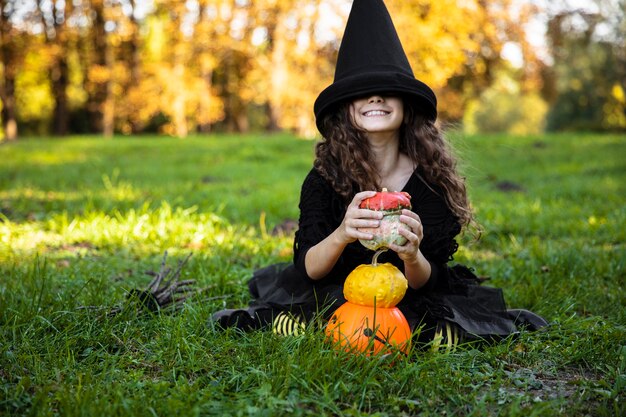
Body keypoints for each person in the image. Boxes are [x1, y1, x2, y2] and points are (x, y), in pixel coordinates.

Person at [211, 0, 547, 347]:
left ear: (406, 106)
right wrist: (343, 232)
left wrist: (412, 253)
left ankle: (419, 332)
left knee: (419, 314)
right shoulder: (325, 177)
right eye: (361, 93)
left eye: (387, 91)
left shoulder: (431, 181)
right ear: (346, 110)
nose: (375, 98)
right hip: (340, 285)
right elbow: (309, 268)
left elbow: (425, 281)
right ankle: (308, 323)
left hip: (405, 291)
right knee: (326, 307)